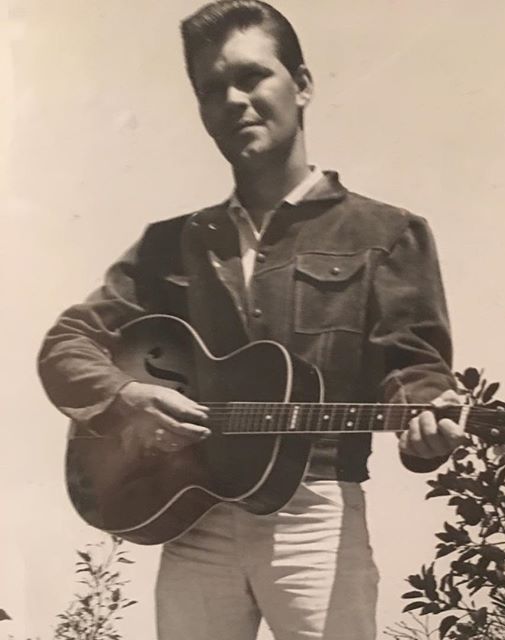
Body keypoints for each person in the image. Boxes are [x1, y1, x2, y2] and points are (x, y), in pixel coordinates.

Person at [37, 2, 465, 638]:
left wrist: (428, 419)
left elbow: (415, 368)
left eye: (252, 76)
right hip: (195, 521)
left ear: (303, 84)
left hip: (316, 520)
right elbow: (66, 345)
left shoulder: (386, 233)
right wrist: (126, 395)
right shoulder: (170, 244)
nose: (234, 100)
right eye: (213, 89)